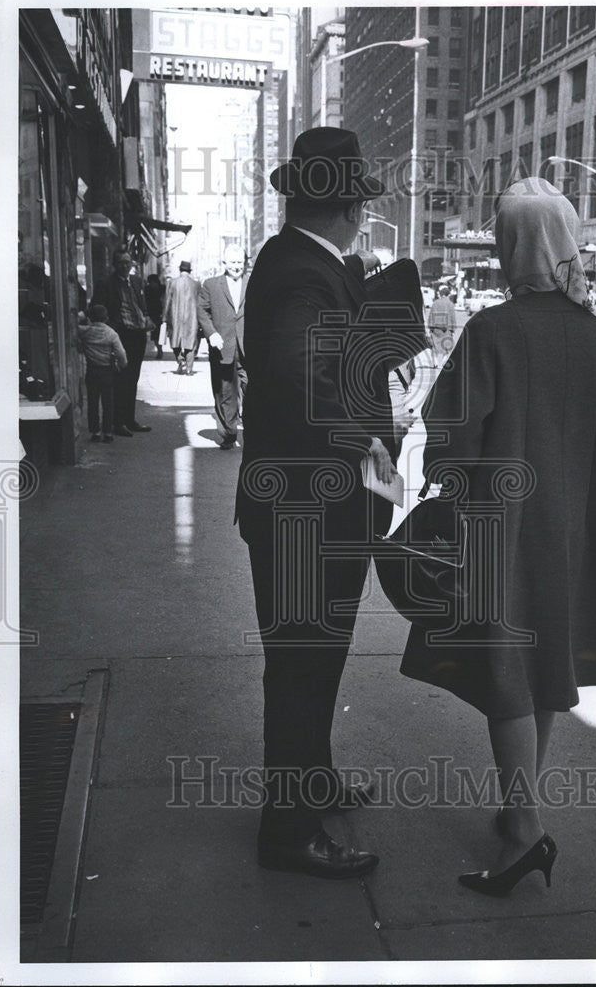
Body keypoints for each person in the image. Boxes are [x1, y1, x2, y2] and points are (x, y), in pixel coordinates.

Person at [400, 177, 596, 895]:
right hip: (573, 528)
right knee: (545, 671)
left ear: (510, 247)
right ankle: (514, 812)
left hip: (498, 531)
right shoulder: (593, 332)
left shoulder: (492, 331)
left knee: (504, 670)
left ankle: (525, 833)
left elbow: (449, 440)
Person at [236, 127, 398, 879]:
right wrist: (366, 449)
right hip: (310, 512)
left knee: (311, 660)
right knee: (304, 665)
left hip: (297, 507)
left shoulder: (293, 260)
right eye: (362, 200)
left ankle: (313, 780)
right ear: (349, 205)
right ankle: (289, 832)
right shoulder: (306, 273)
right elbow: (306, 378)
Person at [90, 247, 153, 436]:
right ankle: (118, 423)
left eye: (128, 262)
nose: (125, 266)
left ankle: (129, 419)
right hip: (121, 336)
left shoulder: (136, 281)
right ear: (114, 265)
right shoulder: (106, 284)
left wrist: (147, 318)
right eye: (121, 263)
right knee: (121, 380)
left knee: (133, 379)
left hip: (138, 335)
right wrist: (112, 328)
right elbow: (97, 308)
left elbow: (141, 305)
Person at [197, 245, 248, 448]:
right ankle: (229, 432)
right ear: (224, 263)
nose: (236, 267)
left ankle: (250, 429)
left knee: (250, 388)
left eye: (240, 262)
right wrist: (211, 333)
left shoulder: (252, 283)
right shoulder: (211, 285)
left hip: (248, 346)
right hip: (221, 346)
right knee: (225, 391)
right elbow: (202, 310)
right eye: (233, 262)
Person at [78, 304, 127, 442]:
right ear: (106, 317)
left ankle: (95, 432)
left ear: (90, 318)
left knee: (93, 403)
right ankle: (108, 433)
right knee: (108, 403)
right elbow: (121, 353)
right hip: (107, 371)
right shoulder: (111, 333)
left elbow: (71, 326)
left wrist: (81, 316)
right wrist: (121, 365)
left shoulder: (85, 331)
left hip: (92, 370)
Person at [163, 261, 200, 376]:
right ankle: (189, 369)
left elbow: (167, 301)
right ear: (189, 271)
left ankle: (180, 360)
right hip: (192, 317)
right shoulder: (196, 284)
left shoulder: (172, 283)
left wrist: (164, 317)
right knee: (190, 342)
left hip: (175, 317)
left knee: (175, 340)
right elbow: (200, 302)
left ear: (180, 270)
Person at [427, 284, 457, 362]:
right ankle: (444, 359)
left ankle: (435, 361)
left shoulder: (435, 303)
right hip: (447, 329)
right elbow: (453, 317)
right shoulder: (450, 304)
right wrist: (453, 330)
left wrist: (430, 327)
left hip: (435, 329)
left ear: (441, 294)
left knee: (435, 345)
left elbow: (431, 315)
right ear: (447, 294)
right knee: (447, 345)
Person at [144, 274, 165, 359]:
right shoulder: (147, 289)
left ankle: (160, 350)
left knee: (158, 334)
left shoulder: (162, 288)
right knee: (155, 334)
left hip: (159, 314)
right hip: (151, 314)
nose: (151, 284)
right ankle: (159, 350)